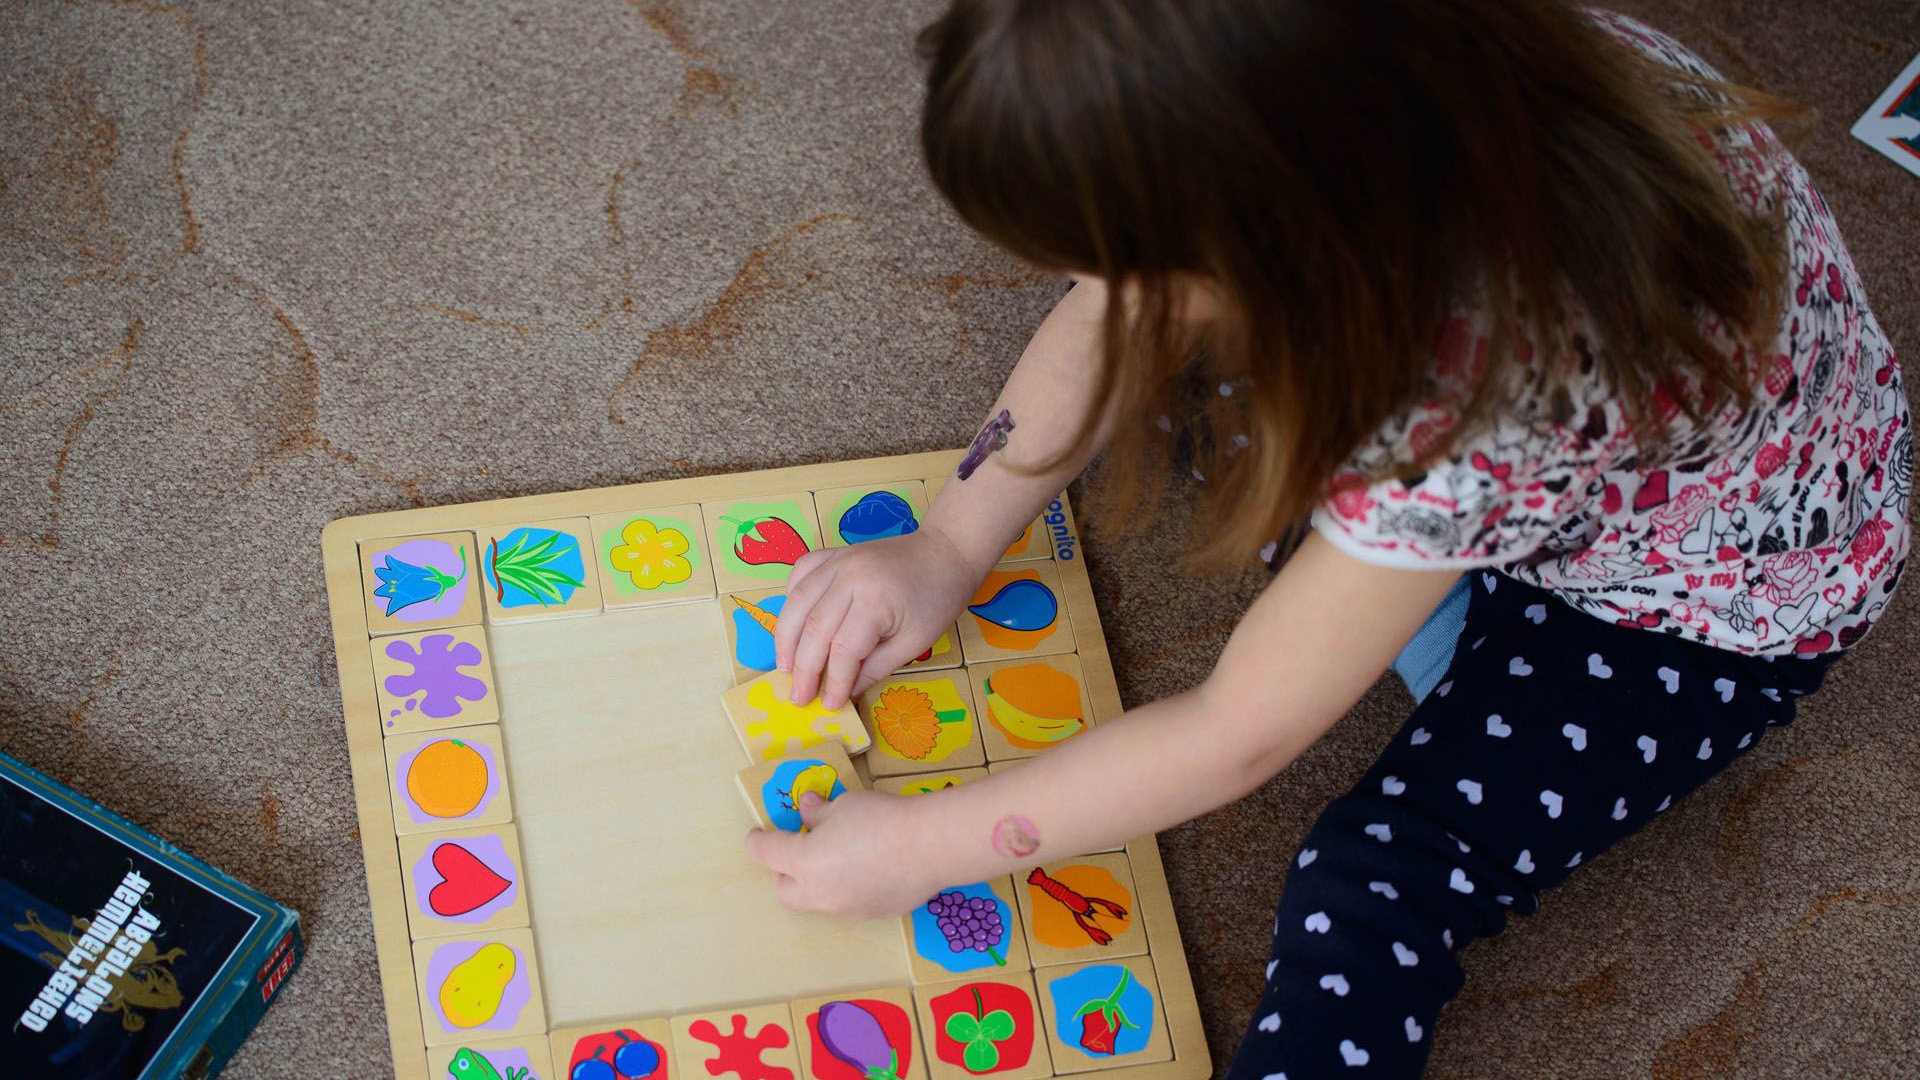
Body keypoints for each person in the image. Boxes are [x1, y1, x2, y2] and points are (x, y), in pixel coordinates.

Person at [744, 1, 1910, 1074]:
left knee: (1373, 880)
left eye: (1105, 264)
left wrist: (922, 849)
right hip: (1562, 475)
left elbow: (1235, 737)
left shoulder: (1476, 396)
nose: (1068, 281)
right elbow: (1111, 322)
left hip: (1702, 618)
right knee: (1181, 387)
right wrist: (949, 544)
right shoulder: (1382, 79)